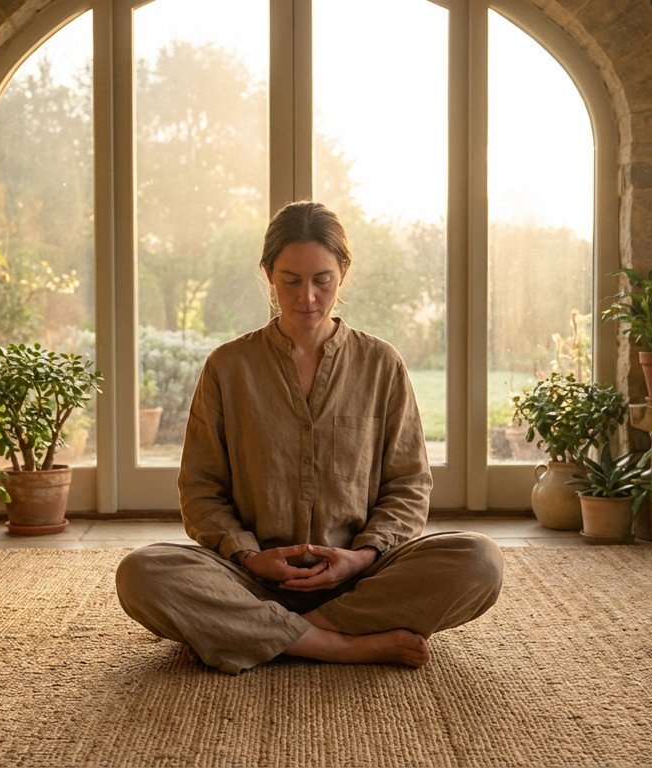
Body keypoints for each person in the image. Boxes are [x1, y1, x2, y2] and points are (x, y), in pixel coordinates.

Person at [116, 201, 503, 674]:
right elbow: (200, 491)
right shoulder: (227, 367)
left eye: (323, 279)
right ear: (268, 275)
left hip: (362, 580)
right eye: (290, 281)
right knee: (141, 574)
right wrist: (251, 558)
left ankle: (258, 633)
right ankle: (339, 645)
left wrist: (359, 557)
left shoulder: (382, 366)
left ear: (343, 272)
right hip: (250, 578)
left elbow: (408, 486)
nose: (308, 298)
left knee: (480, 561)